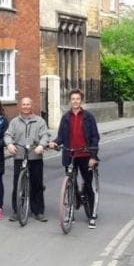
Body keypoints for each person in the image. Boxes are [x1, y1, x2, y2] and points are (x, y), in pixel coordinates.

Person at [48, 89, 101, 229]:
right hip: (70, 154)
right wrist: (54, 142)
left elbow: (95, 137)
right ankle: (71, 212)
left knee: (88, 184)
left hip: (85, 155)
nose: (75, 101)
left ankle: (92, 214)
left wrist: (93, 156)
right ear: (70, 101)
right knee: (72, 184)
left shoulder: (88, 117)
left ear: (81, 101)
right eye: (73, 99)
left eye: (77, 99)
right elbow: (61, 136)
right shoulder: (66, 117)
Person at [5, 97, 51, 222]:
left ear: (31, 106)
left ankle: (38, 211)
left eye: (28, 104)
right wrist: (9, 144)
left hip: (35, 155)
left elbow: (45, 135)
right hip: (19, 155)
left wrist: (41, 145)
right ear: (20, 106)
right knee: (18, 184)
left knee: (37, 184)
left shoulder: (40, 121)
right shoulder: (14, 121)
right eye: (24, 104)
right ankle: (17, 211)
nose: (25, 106)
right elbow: (8, 135)